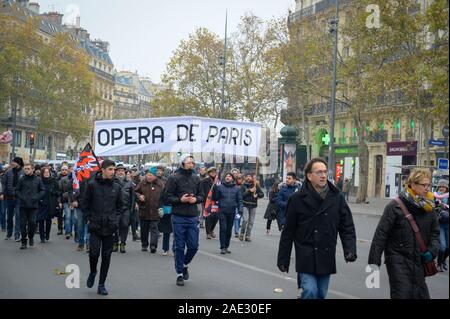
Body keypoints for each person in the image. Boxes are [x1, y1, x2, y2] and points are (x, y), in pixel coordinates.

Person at [277, 158, 357, 299]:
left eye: (325, 172)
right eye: (319, 172)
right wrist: (283, 259)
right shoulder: (297, 199)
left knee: (320, 294)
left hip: (326, 254)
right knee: (310, 291)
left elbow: (347, 226)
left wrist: (349, 249)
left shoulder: (337, 198)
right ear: (309, 176)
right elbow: (288, 232)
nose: (323, 175)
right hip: (305, 254)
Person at [368, 168, 440, 299]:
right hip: (397, 260)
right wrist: (374, 264)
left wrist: (432, 251)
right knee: (402, 294)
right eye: (423, 185)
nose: (427, 188)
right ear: (412, 184)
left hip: (419, 260)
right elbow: (380, 235)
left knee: (420, 295)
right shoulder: (395, 206)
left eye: (428, 185)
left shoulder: (429, 207)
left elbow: (435, 234)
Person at [82, 160, 124, 296]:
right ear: (103, 170)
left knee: (106, 256)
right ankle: (93, 271)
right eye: (110, 169)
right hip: (95, 225)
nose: (113, 172)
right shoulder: (92, 185)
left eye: (114, 170)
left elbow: (120, 207)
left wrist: (116, 221)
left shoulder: (116, 187)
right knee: (94, 253)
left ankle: (101, 284)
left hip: (110, 227)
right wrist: (88, 218)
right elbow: (85, 204)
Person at [164, 154, 203, 286]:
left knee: (193, 246)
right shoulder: (173, 178)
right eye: (189, 162)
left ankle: (185, 264)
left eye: (193, 162)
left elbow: (201, 196)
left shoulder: (196, 178)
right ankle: (179, 273)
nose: (191, 164)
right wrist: (180, 200)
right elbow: (167, 197)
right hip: (178, 216)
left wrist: (195, 199)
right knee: (179, 246)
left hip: (192, 216)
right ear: (182, 163)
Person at [16, 163, 45, 249]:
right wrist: (22, 197)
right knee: (22, 224)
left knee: (32, 223)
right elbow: (17, 190)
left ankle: (31, 237)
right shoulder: (21, 179)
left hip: (33, 205)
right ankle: (23, 241)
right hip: (23, 205)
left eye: (28, 168)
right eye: (25, 169)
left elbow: (42, 190)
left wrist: (36, 197)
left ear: (32, 169)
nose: (26, 170)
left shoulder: (38, 179)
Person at [212, 172, 243, 254]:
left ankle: (226, 246)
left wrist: (240, 210)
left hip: (232, 211)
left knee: (229, 230)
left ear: (232, 178)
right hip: (222, 211)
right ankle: (222, 247)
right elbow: (214, 198)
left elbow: (240, 201)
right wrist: (214, 188)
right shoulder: (219, 187)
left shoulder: (237, 188)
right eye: (226, 176)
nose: (227, 177)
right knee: (223, 228)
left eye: (229, 176)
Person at [135, 167, 164, 253]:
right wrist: (139, 196)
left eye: (151, 175)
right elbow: (135, 192)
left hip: (156, 210)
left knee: (154, 229)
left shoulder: (160, 184)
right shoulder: (142, 183)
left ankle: (153, 245)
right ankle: (144, 244)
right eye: (147, 175)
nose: (149, 176)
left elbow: (165, 195)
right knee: (144, 229)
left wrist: (161, 206)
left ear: (155, 175)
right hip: (144, 210)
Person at [113, 164, 135, 253]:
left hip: (126, 208)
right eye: (118, 170)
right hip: (115, 209)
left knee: (125, 225)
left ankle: (123, 243)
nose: (120, 172)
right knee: (115, 226)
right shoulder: (112, 182)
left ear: (125, 172)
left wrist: (132, 208)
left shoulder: (129, 183)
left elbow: (133, 197)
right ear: (116, 172)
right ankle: (115, 243)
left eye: (122, 171)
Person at [1, 157, 24, 241]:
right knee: (9, 216)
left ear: (18, 163)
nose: (12, 163)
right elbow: (4, 184)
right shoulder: (8, 172)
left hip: (19, 198)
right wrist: (2, 193)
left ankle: (17, 235)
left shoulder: (23, 172)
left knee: (18, 216)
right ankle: (9, 233)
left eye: (13, 162)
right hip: (9, 197)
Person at [37, 167, 60, 243]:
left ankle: (47, 234)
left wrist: (53, 192)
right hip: (41, 203)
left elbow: (58, 192)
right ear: (42, 173)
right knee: (40, 220)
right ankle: (42, 237)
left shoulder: (54, 181)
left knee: (48, 220)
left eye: (48, 172)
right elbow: (36, 191)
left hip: (50, 203)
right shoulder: (39, 181)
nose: (46, 173)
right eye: (45, 172)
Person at [239, 173, 264, 242]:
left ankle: (248, 236)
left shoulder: (256, 186)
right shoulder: (243, 186)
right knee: (245, 220)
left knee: (251, 222)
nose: (248, 178)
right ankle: (242, 233)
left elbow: (262, 194)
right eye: (247, 176)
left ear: (252, 178)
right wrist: (250, 191)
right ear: (245, 178)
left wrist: (258, 195)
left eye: (250, 176)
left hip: (253, 205)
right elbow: (241, 196)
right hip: (245, 205)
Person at [433, 179, 449, 272]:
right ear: (438, 187)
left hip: (448, 224)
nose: (442, 188)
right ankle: (439, 264)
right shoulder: (434, 196)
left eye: (444, 187)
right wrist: (437, 205)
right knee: (442, 246)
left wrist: (446, 206)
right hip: (440, 223)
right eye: (441, 186)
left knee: (448, 247)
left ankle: (443, 261)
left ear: (447, 188)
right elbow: (431, 207)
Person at [200, 167, 218, 240]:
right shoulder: (205, 181)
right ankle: (208, 233)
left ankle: (211, 230)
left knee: (216, 217)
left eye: (214, 172)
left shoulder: (217, 181)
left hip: (216, 201)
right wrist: (204, 199)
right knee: (208, 217)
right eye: (211, 172)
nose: (213, 173)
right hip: (207, 201)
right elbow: (201, 191)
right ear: (209, 173)